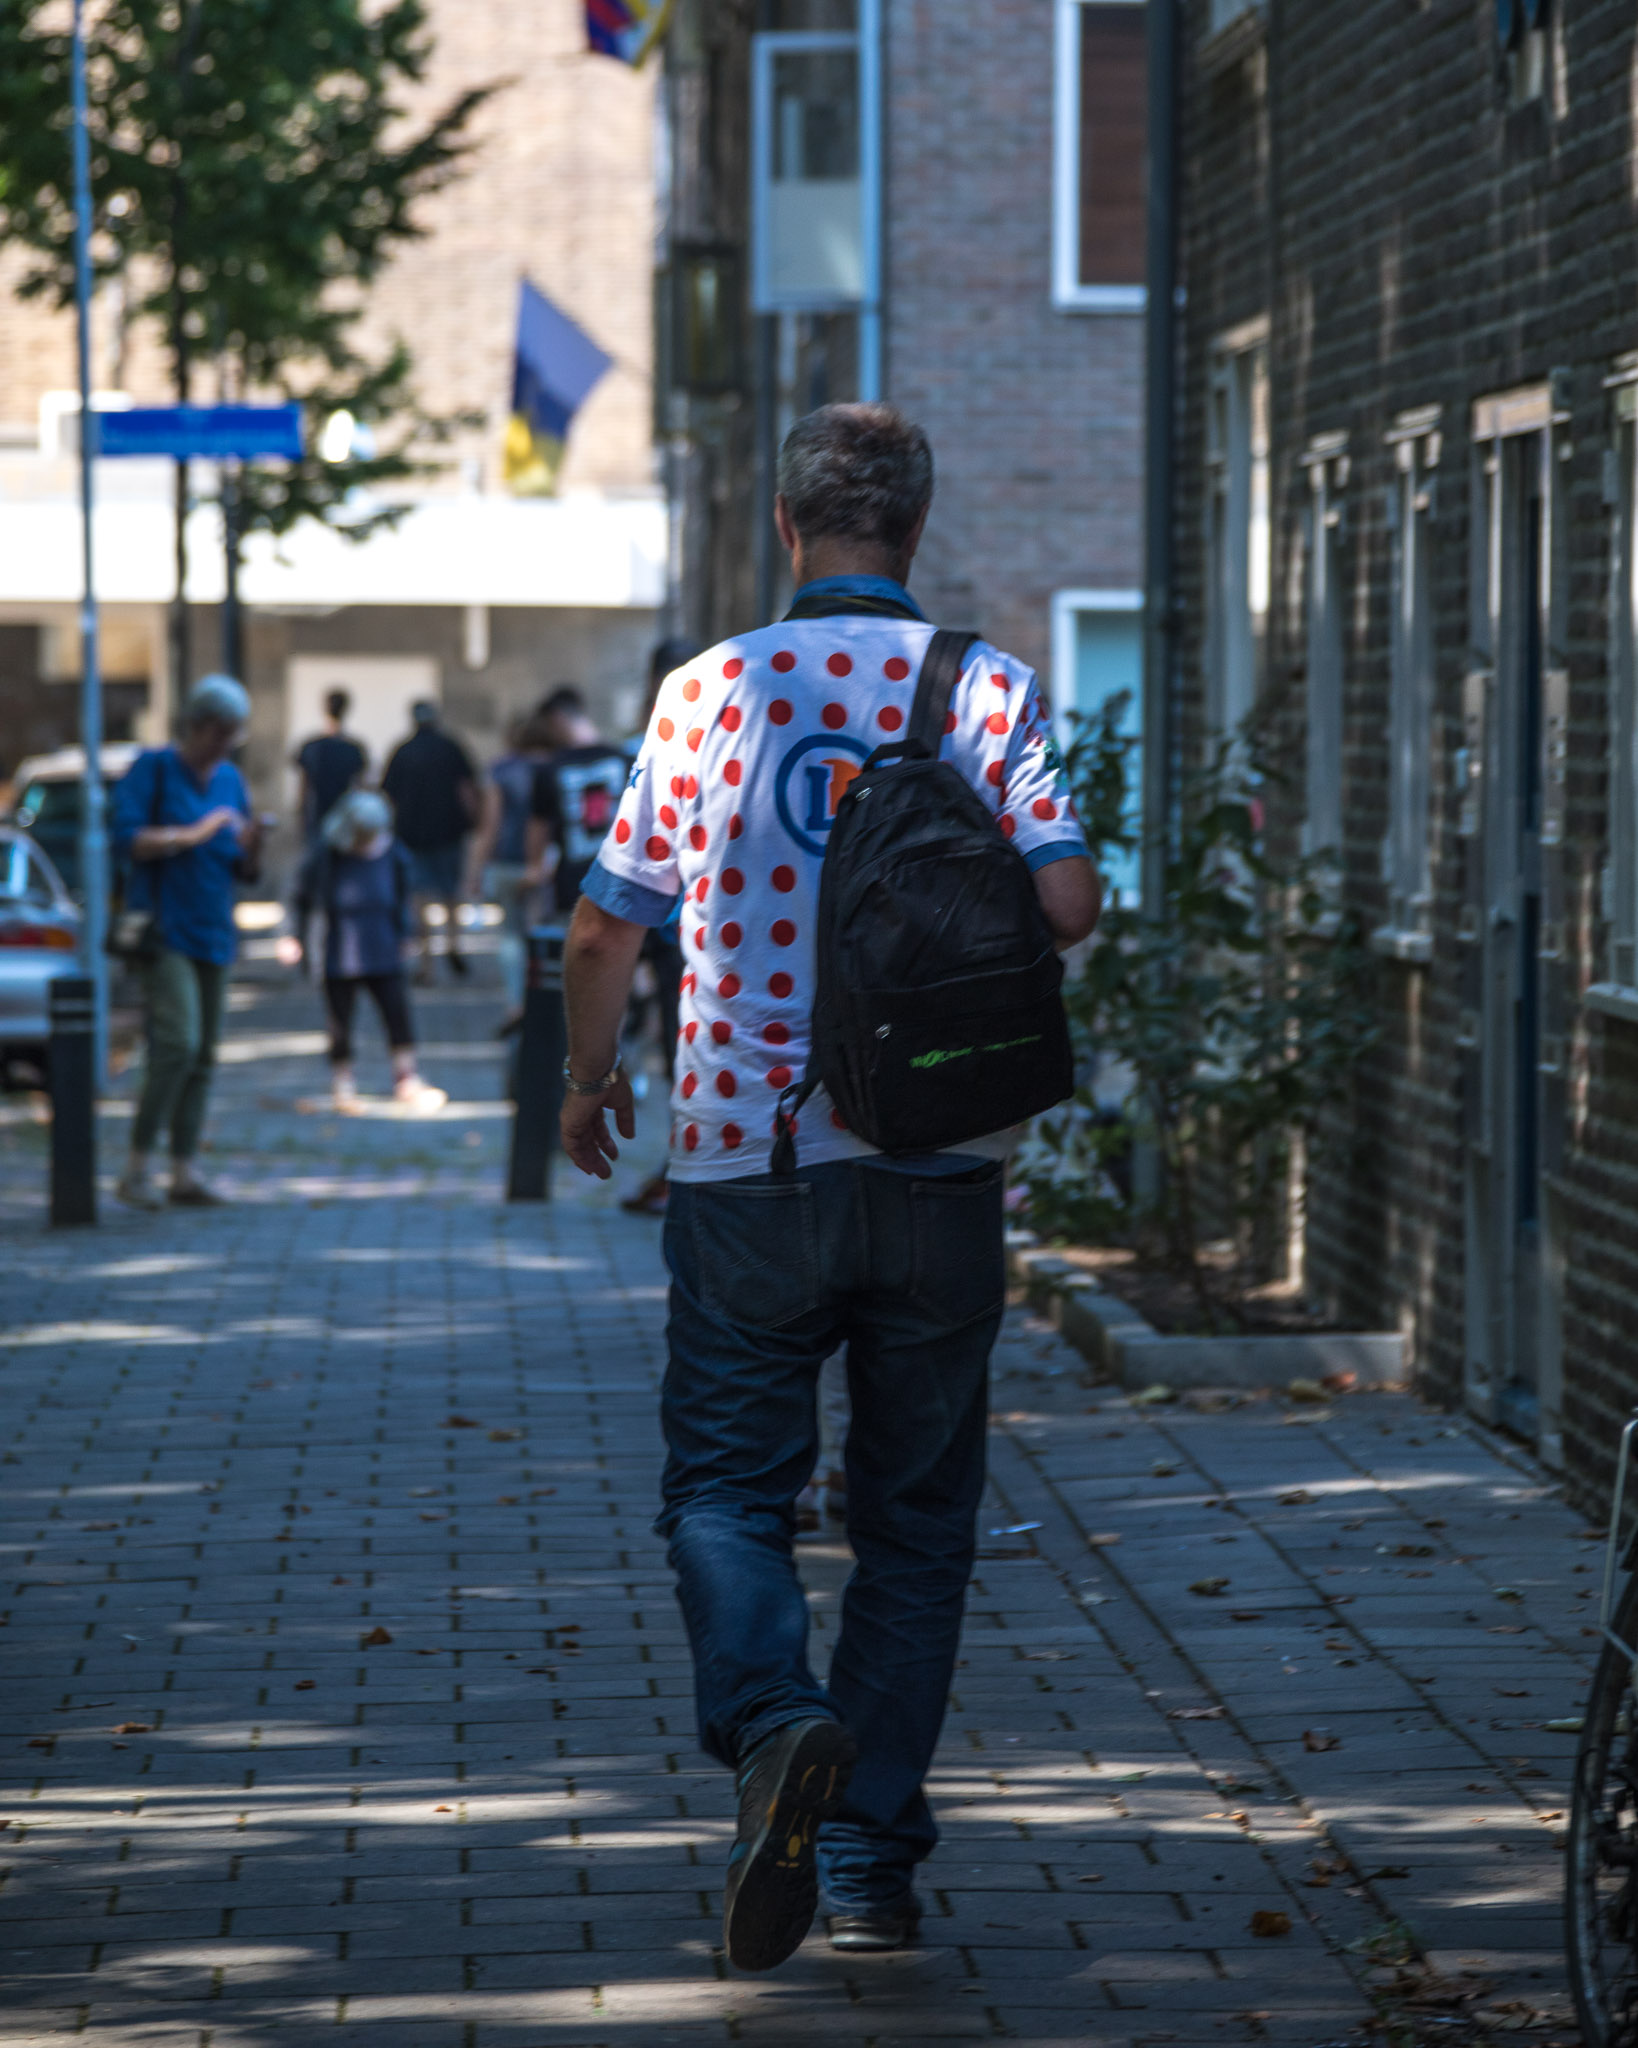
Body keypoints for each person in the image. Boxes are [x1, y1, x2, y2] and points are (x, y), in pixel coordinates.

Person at [555, 404, 1101, 1972]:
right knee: (914, 1528)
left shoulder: (710, 690)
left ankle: (775, 1720)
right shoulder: (979, 686)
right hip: (939, 1169)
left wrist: (590, 1084)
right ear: (914, 531)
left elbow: (606, 927)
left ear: (786, 527)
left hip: (747, 1164)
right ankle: (863, 1869)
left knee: (725, 1494)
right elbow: (1068, 902)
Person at [111, 673, 266, 1211]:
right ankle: (136, 1167)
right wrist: (196, 832)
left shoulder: (231, 780)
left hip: (214, 929)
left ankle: (184, 1170)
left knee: (203, 1054)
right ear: (196, 725)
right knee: (177, 1042)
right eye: (219, 732)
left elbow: (244, 869)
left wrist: (253, 844)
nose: (225, 744)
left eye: (233, 734)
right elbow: (127, 840)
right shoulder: (153, 769)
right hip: (165, 930)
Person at [292, 788, 445, 1114]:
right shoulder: (328, 852)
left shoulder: (392, 851)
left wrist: (406, 934)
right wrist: (296, 938)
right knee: (340, 1018)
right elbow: (303, 897)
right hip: (340, 945)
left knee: (396, 1011)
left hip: (383, 943)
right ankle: (343, 1081)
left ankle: (406, 1076)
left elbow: (404, 895)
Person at [620, 636, 702, 1218]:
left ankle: (687, 1171)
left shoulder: (654, 748)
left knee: (686, 1057)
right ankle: (682, 1166)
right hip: (684, 930)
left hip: (682, 930)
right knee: (681, 1056)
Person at [465, 706, 556, 1031]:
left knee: (509, 934)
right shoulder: (555, 766)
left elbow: (490, 824)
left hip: (507, 860)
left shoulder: (500, 770)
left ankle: (517, 1002)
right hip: (546, 861)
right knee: (543, 932)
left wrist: (476, 869)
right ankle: (544, 999)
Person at [381, 700, 479, 982]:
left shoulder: (402, 751)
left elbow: (389, 796)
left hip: (412, 834)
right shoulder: (451, 747)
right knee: (451, 893)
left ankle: (427, 964)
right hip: (449, 831)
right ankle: (453, 944)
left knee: (419, 898)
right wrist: (473, 821)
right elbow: (466, 788)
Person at [523, 686, 631, 917]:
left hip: (574, 886)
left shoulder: (550, 769)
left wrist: (534, 869)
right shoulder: (624, 760)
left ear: (556, 719)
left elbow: (538, 829)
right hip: (622, 883)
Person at [293, 687, 366, 841]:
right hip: (342, 815)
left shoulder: (311, 746)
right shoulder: (354, 749)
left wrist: (301, 816)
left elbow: (304, 787)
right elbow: (358, 787)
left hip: (317, 815)